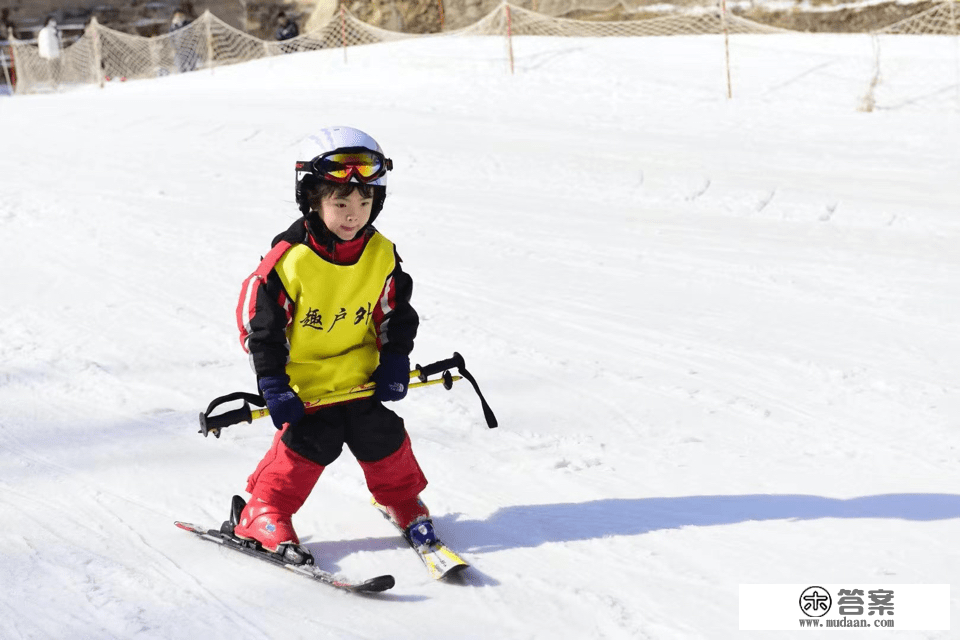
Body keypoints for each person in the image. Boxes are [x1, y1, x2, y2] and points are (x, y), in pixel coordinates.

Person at [232, 126, 436, 560]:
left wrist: (395, 360)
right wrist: (272, 382)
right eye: (340, 202)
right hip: (305, 383)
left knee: (380, 433)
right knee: (313, 440)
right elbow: (259, 323)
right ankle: (263, 509)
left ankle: (398, 498)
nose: (353, 215)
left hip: (357, 377)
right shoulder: (290, 260)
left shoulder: (381, 254)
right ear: (312, 201)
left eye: (365, 203)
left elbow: (396, 313)